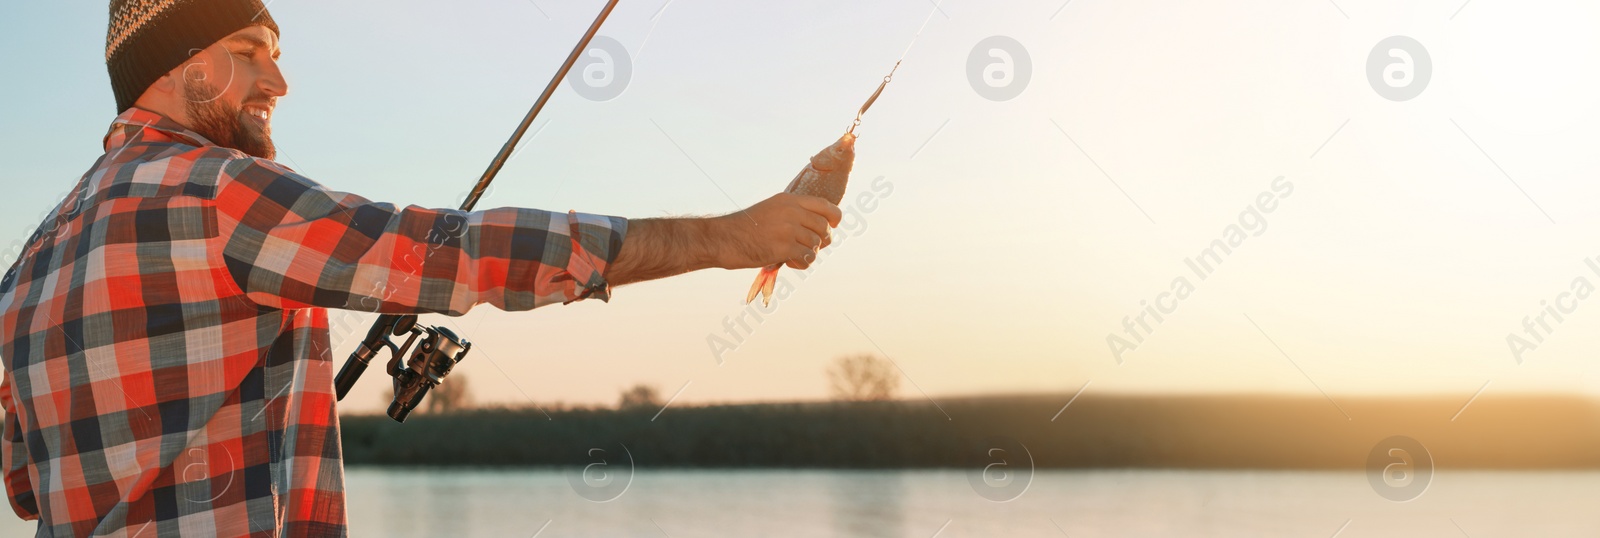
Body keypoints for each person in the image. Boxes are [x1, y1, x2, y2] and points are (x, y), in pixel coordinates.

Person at [0, 1, 841, 536]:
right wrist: (728, 238)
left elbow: (29, 493)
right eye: (252, 49)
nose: (279, 79)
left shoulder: (26, 268)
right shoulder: (215, 192)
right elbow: (453, 255)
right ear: (185, 66)